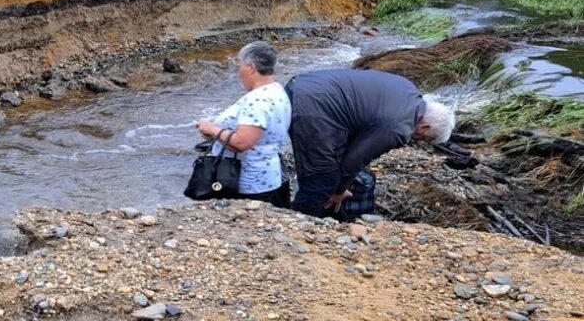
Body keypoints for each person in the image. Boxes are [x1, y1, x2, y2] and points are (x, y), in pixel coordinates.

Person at [285, 68, 455, 218]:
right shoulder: (398, 129)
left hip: (302, 84)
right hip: (312, 105)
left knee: (326, 170)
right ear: (425, 126)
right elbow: (354, 159)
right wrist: (339, 191)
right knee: (323, 177)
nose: (418, 140)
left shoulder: (408, 90)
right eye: (425, 138)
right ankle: (301, 222)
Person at [195, 42, 292, 207]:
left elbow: (242, 143)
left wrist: (212, 129)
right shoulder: (276, 90)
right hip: (269, 175)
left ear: (251, 67)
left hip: (249, 182)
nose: (238, 71)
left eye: (239, 65)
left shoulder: (257, 100)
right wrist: (214, 133)